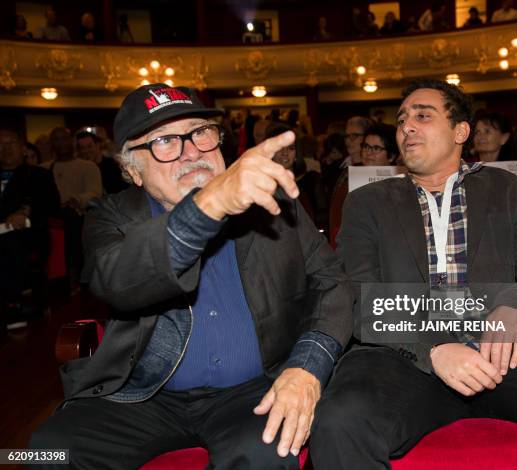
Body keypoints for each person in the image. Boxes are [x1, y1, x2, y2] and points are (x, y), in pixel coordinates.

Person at [30, 83, 352, 469]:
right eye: (166, 140)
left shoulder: (274, 203)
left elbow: (332, 283)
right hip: (145, 395)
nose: (193, 151)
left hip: (253, 391)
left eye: (201, 132)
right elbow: (116, 280)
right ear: (132, 169)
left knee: (266, 451)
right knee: (46, 449)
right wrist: (210, 204)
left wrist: (306, 368)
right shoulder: (110, 215)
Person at [309, 78, 517, 470]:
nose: (407, 127)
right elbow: (358, 292)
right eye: (402, 120)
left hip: (500, 351)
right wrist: (434, 347)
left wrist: (514, 310)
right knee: (339, 422)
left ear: (460, 131)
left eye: (422, 116)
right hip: (401, 356)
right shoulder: (368, 202)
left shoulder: (503, 189)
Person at [0, 129, 60, 331]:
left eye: (10, 143)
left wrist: (27, 211)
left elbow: (51, 205)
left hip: (28, 235)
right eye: (1, 144)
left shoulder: (38, 175)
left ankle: (13, 304)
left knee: (11, 243)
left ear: (22, 148)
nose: (5, 148)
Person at [48, 127, 102, 293]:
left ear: (71, 142)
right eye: (56, 139)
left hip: (78, 216)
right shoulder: (44, 168)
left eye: (64, 138)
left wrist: (76, 200)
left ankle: (75, 276)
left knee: (73, 221)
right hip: (50, 216)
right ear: (52, 144)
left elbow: (95, 193)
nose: (61, 143)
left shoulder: (88, 167)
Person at [75, 130, 128, 194]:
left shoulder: (112, 165)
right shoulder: (80, 170)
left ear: (97, 145)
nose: (86, 151)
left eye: (89, 146)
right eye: (82, 148)